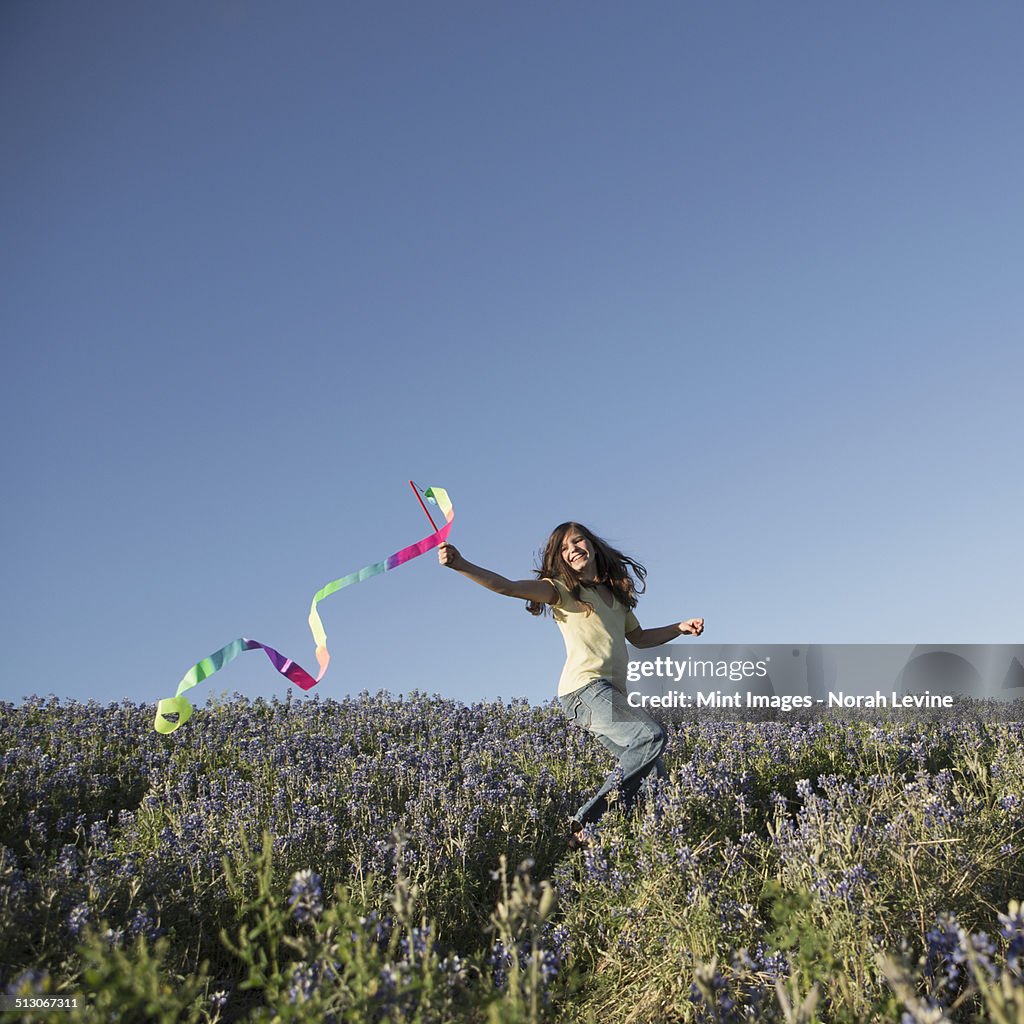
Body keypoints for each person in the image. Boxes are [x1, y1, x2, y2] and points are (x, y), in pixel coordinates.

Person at [438, 522, 703, 849]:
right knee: (650, 736)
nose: (573, 549)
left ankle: (655, 849)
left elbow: (640, 637)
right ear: (559, 558)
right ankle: (587, 823)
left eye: (578, 541)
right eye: (564, 548)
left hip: (610, 696)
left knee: (655, 778)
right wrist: (461, 564)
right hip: (584, 691)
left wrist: (679, 627)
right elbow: (506, 586)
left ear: (592, 545)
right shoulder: (559, 589)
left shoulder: (616, 598)